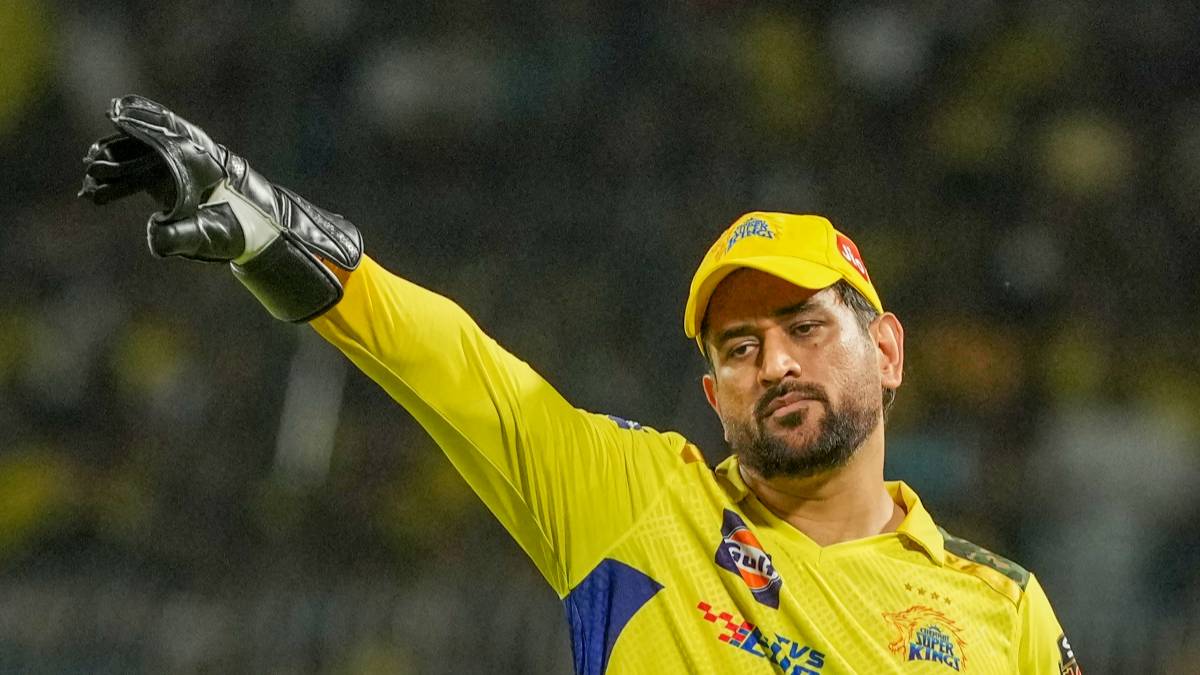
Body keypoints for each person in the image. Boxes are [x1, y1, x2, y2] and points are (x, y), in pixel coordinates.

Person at [80, 95, 1081, 674]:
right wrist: (270, 229)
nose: (775, 362)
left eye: (806, 327)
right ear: (714, 397)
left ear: (889, 351)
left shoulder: (1004, 608)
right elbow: (455, 366)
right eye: (738, 347)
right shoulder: (642, 504)